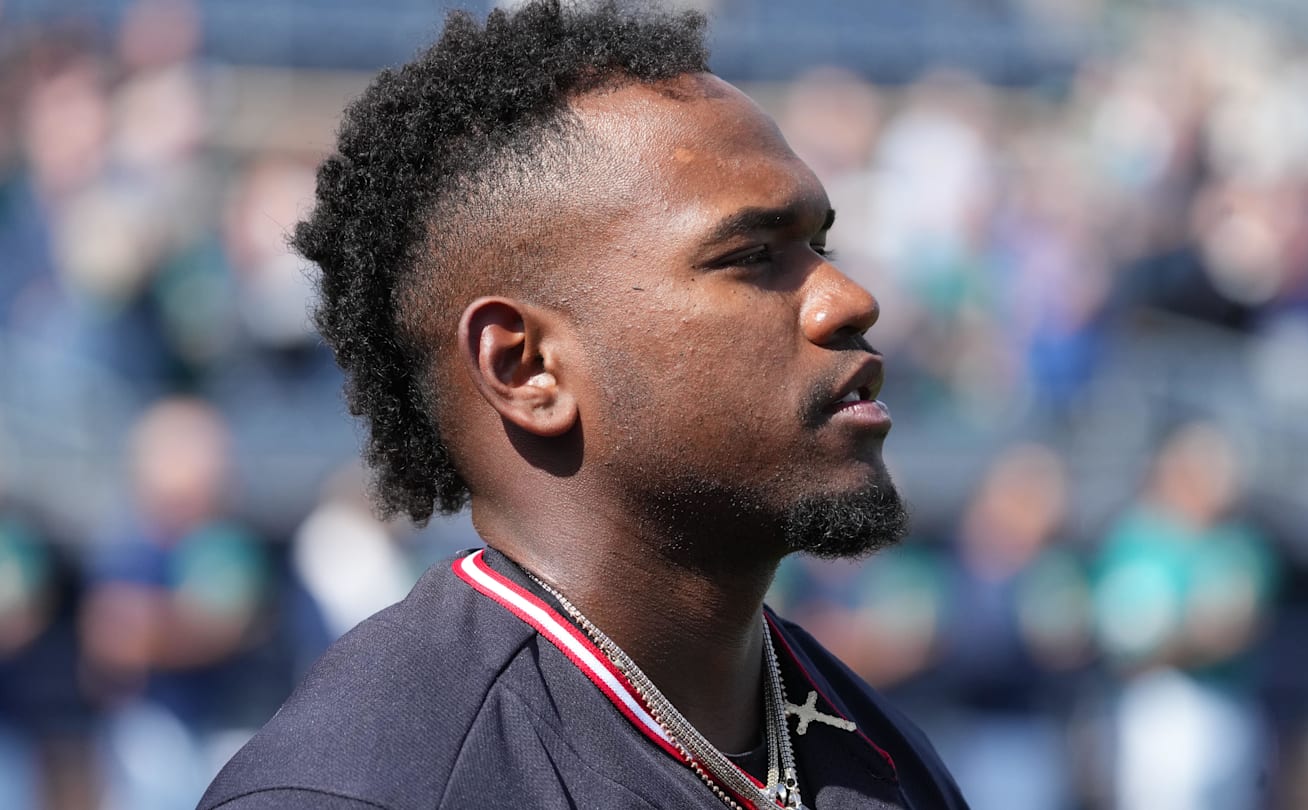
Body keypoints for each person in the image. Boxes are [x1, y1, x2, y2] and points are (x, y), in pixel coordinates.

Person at [200, 2, 968, 808]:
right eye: (752, 255)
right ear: (527, 367)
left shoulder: (883, 753)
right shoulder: (366, 789)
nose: (850, 300)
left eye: (821, 246)